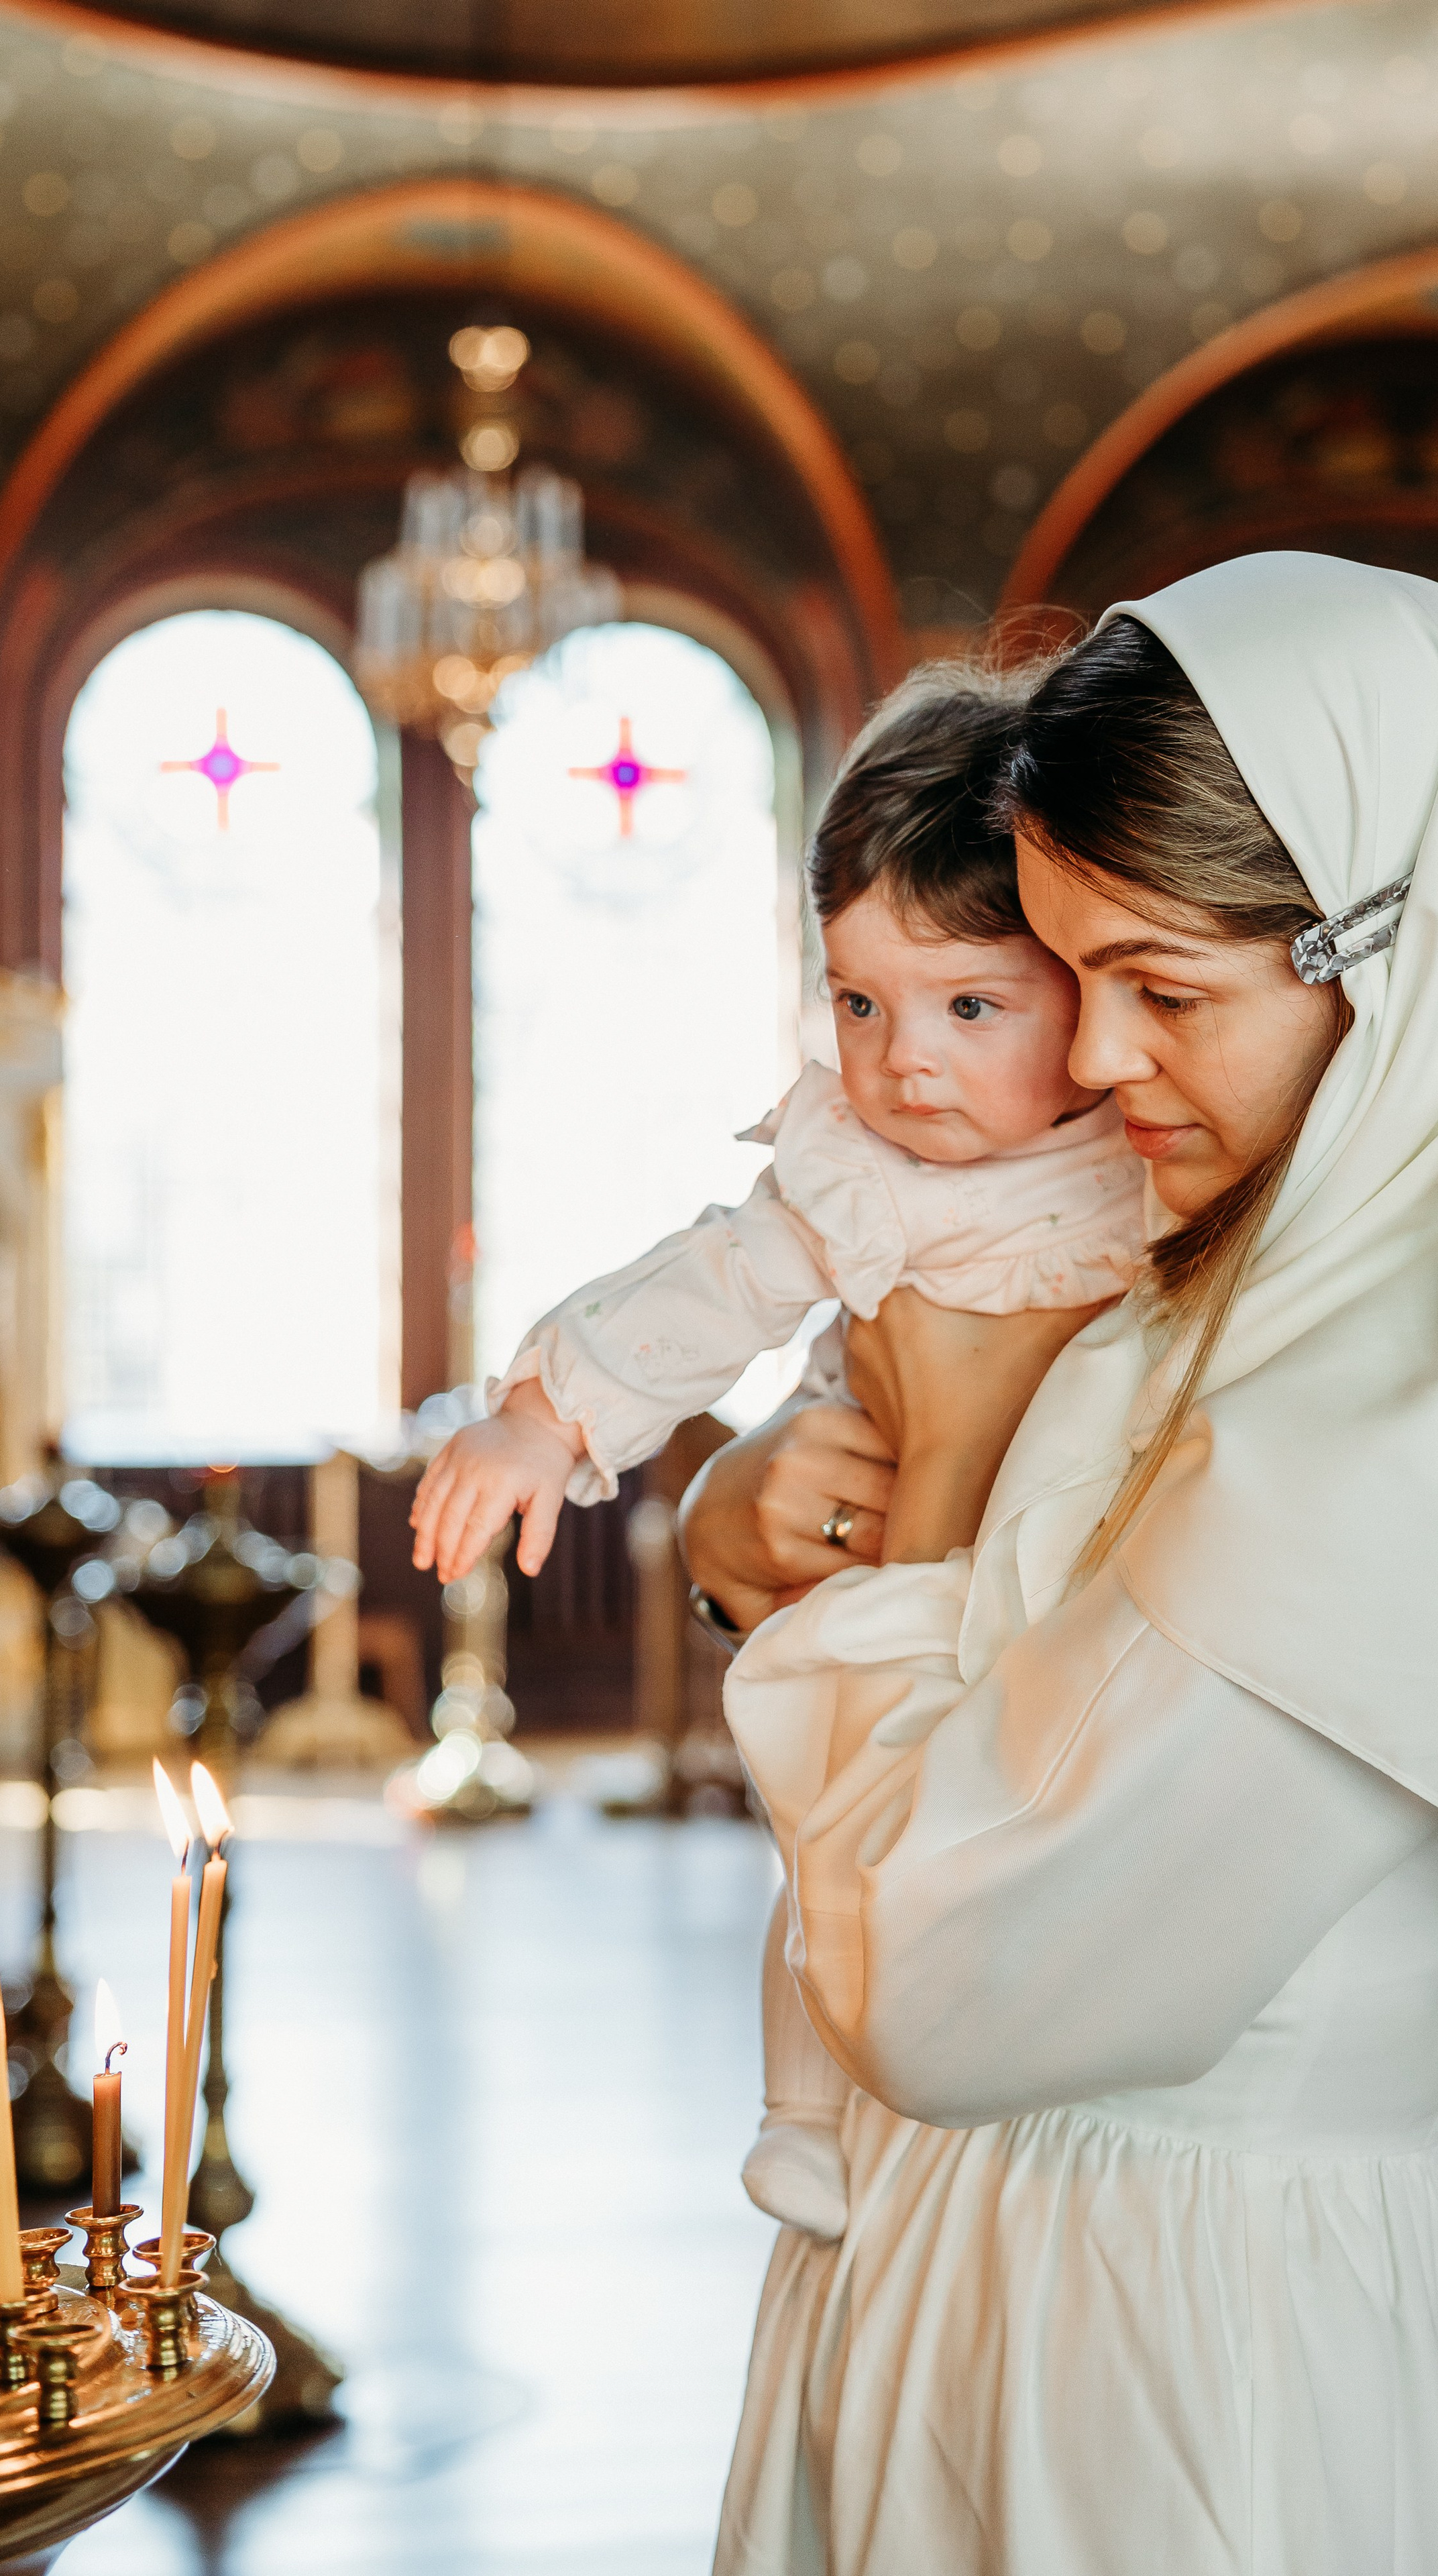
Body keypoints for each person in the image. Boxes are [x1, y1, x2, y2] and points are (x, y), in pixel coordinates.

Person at [700, 549, 1438, 2576]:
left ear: (1390, 957)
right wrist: (750, 1504)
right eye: (1060, 972)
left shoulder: (1394, 1433)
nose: (1094, 1064)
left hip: (1181, 2365)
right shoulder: (1237, 1245)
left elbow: (941, 1976)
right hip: (958, 2282)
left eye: (1168, 990)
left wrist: (920, 1488)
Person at [411, 665, 1143, 2239]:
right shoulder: (859, 1169)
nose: (900, 1064)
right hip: (872, 1570)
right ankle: (799, 2108)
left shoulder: (1145, 1155)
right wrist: (547, 1419)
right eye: (857, 1003)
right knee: (834, 1837)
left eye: (966, 1007)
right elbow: (703, 1287)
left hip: (1060, 1600)